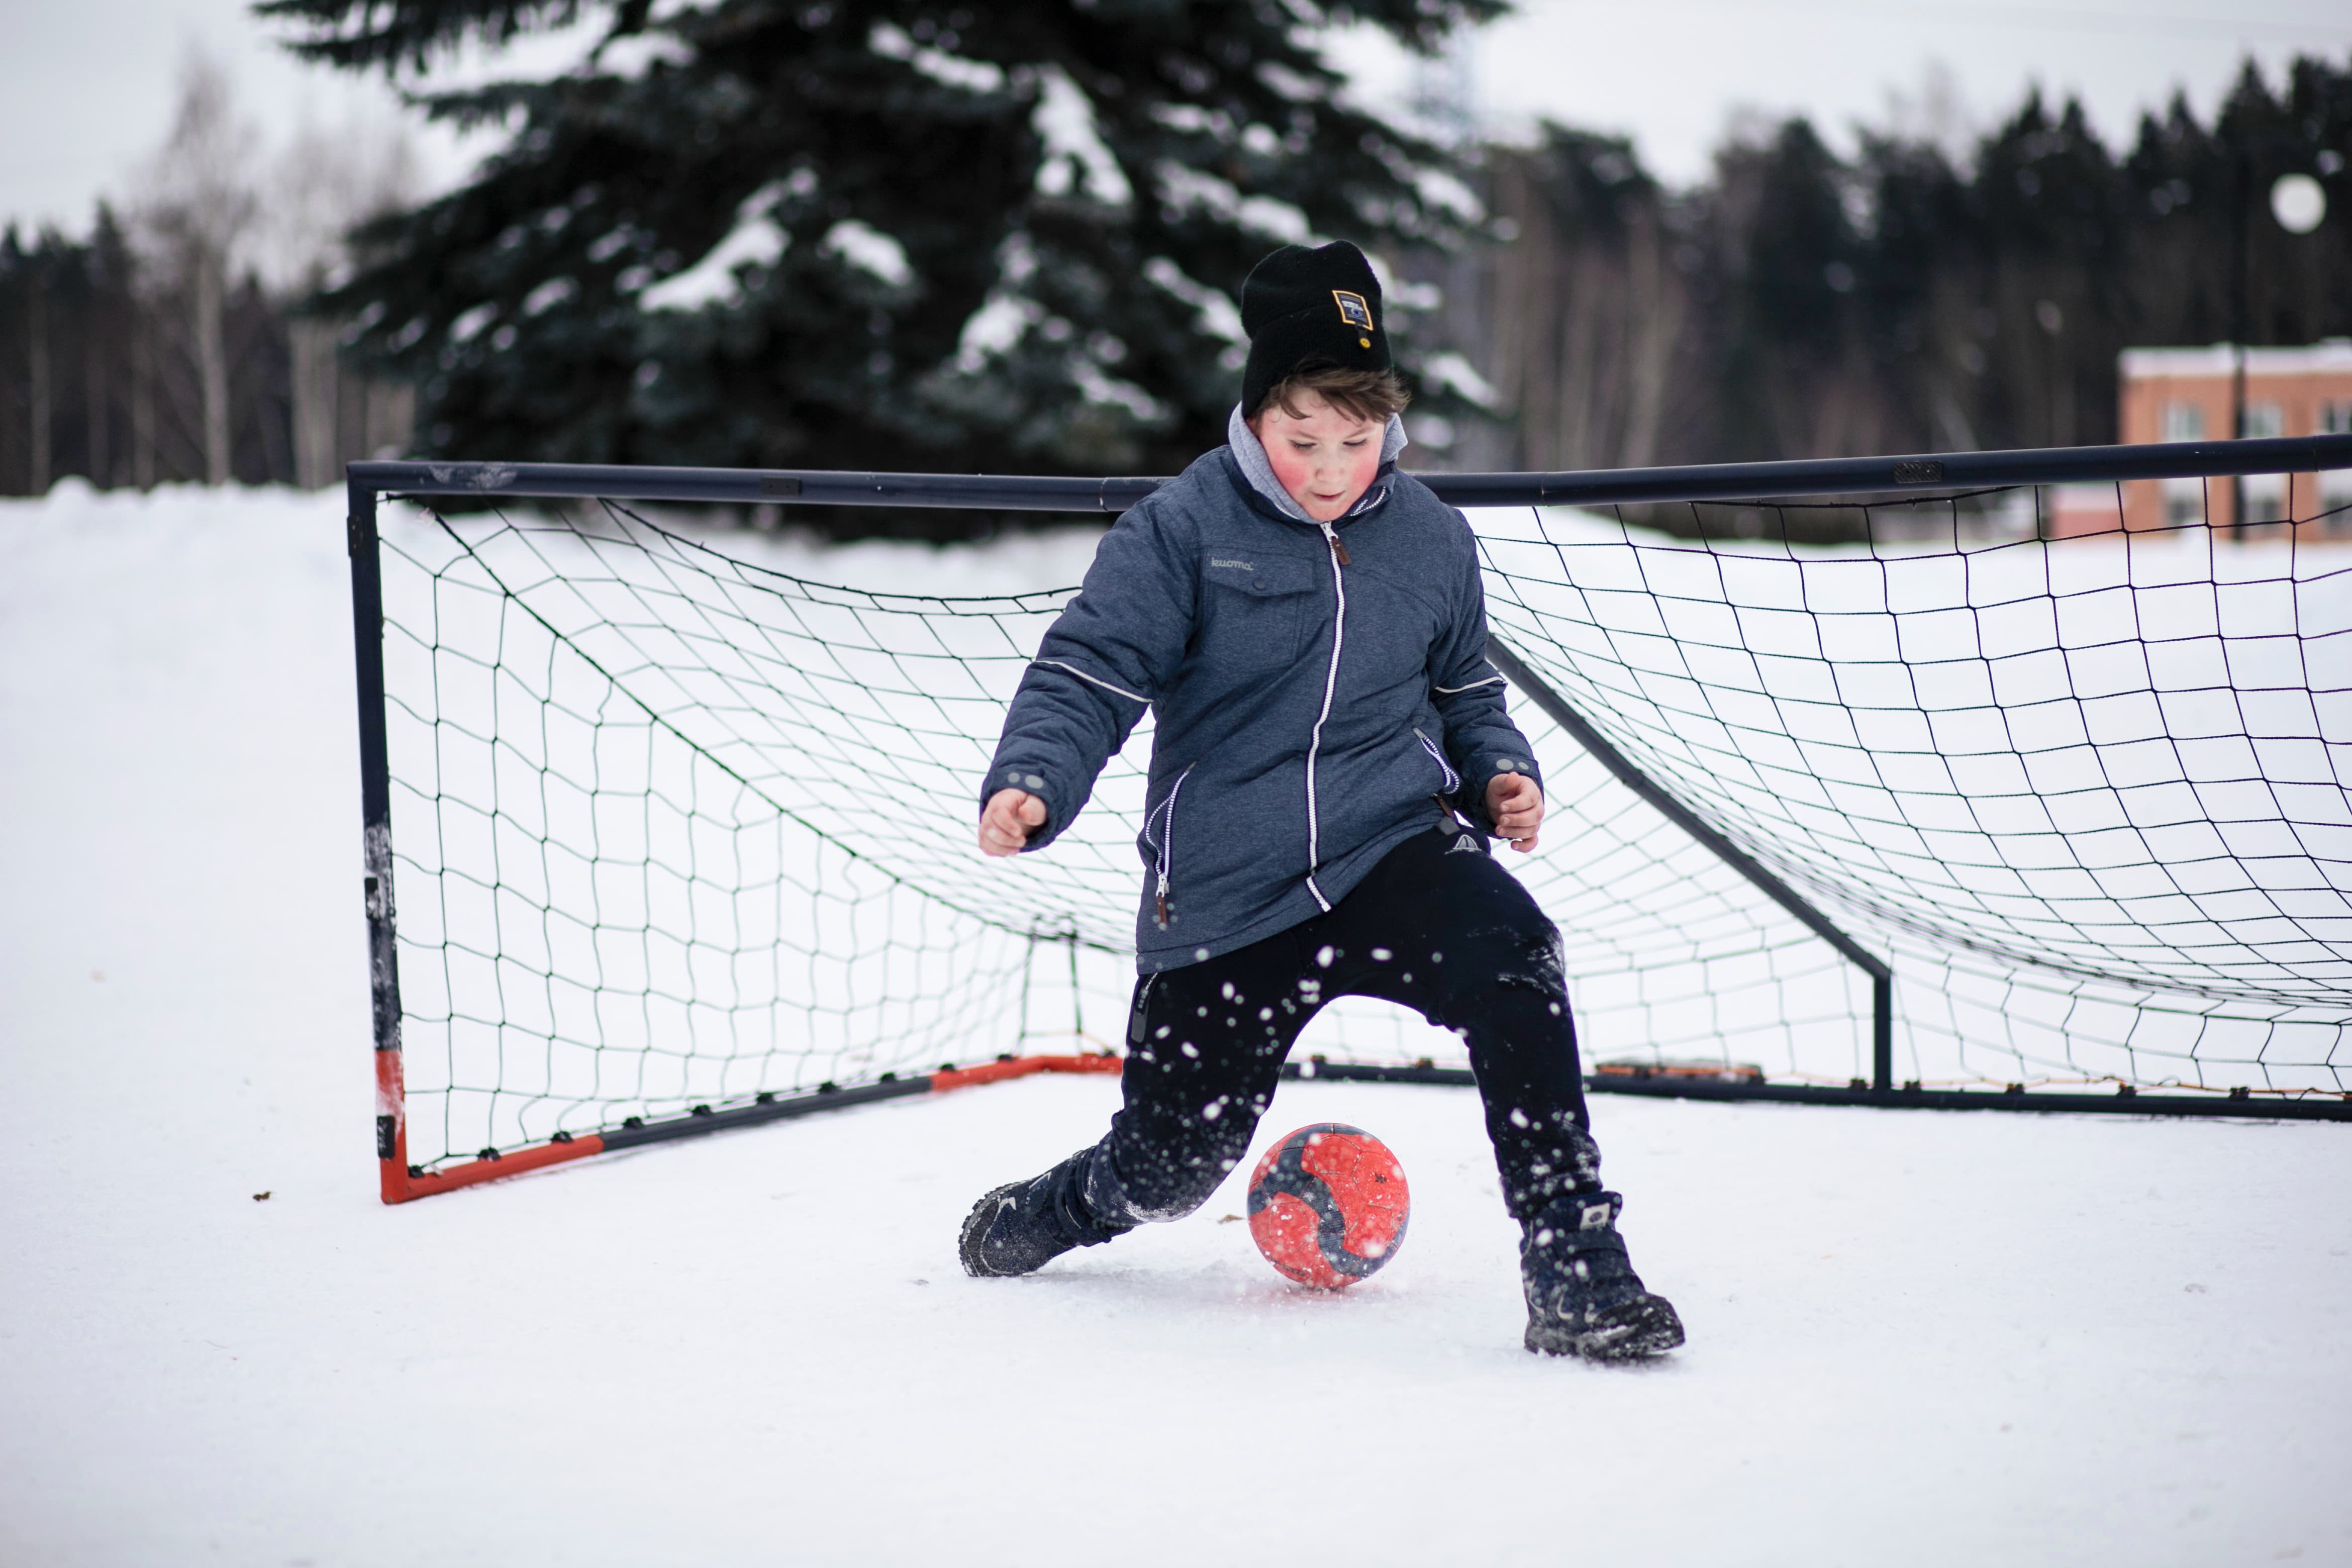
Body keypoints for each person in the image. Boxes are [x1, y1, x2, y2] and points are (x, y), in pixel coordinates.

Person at [960, 240, 1683, 1360]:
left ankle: (1574, 1261)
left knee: (1513, 956)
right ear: (1256, 417)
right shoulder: (1182, 531)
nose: (1335, 466)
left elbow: (1465, 689)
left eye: (1358, 439)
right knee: (1170, 1169)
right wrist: (1033, 781)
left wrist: (1500, 772)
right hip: (1229, 895)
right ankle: (1057, 1207)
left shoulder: (1430, 537)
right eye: (1305, 441)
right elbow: (1090, 669)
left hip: (1388, 847)